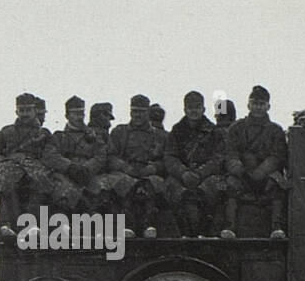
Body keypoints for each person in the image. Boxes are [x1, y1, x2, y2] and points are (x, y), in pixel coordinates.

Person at [222, 85, 288, 238]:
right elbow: (230, 153)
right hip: (242, 174)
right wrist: (239, 169)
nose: (258, 107)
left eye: (262, 104)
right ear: (248, 105)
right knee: (230, 184)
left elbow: (277, 155)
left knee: (277, 184)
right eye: (255, 103)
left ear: (268, 106)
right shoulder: (236, 128)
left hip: (266, 175)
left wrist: (261, 171)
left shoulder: (275, 130)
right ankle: (229, 227)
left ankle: (276, 227)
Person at [0, 93, 53, 237]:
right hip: (11, 169)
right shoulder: (7, 132)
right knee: (4, 179)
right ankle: (6, 225)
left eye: (28, 110)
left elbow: (50, 155)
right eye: (22, 110)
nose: (25, 114)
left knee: (40, 180)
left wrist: (35, 163)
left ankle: (32, 224)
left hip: (35, 169)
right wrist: (5, 163)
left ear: (35, 111)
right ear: (16, 112)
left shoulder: (44, 134)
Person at [163, 91, 227, 236]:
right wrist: (182, 172)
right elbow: (170, 156)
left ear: (203, 109)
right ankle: (183, 232)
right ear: (185, 109)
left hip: (206, 175)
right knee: (172, 187)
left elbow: (218, 157)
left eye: (197, 107)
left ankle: (204, 232)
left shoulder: (214, 132)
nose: (194, 111)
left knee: (211, 188)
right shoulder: (176, 131)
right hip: (182, 175)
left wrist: (201, 173)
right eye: (190, 107)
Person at [105, 94, 167, 237]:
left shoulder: (160, 136)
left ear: (148, 112)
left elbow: (166, 160)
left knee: (153, 184)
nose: (138, 115)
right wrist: (124, 167)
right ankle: (128, 225)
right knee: (125, 184)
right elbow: (110, 156)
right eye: (135, 111)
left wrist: (154, 168)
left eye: (142, 111)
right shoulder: (119, 132)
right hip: (126, 172)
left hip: (149, 172)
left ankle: (149, 225)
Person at [44, 95, 108, 213]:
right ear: (67, 116)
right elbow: (50, 155)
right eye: (75, 114)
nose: (79, 117)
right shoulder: (59, 137)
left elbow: (101, 155)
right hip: (66, 175)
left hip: (89, 175)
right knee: (62, 194)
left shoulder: (94, 137)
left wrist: (88, 168)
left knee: (102, 194)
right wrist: (69, 166)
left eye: (81, 113)